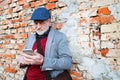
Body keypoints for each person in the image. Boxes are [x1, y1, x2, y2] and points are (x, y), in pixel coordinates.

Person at [18, 7, 72, 80]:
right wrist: (23, 61)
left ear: (49, 22)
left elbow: (67, 62)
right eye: (36, 23)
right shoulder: (31, 38)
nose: (38, 27)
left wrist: (43, 61)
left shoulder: (59, 37)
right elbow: (28, 57)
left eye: (42, 23)